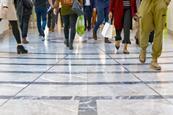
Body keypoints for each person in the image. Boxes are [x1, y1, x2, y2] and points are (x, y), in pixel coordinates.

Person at [138, 0, 171, 70]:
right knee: (144, 27)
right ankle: (143, 49)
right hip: (146, 2)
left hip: (160, 2)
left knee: (159, 30)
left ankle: (154, 59)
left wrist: (167, 1)